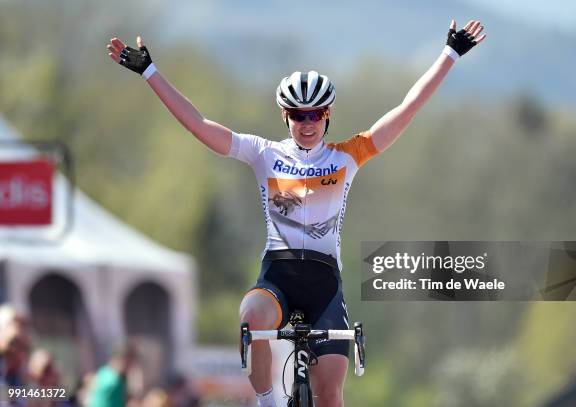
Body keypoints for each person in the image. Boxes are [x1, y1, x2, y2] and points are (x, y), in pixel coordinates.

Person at [107, 19, 486, 407]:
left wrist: (450, 53)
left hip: (324, 283)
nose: (307, 123)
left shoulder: (348, 155)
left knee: (331, 394)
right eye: (298, 114)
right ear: (285, 117)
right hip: (279, 275)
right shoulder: (264, 153)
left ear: (327, 115)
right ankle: (266, 401)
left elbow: (407, 110)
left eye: (315, 114)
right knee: (252, 315)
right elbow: (198, 125)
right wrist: (150, 72)